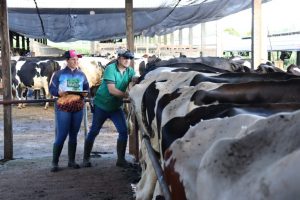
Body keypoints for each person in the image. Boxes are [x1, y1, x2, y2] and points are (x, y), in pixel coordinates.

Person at [82, 49, 135, 168]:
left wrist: (139, 81)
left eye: (129, 58)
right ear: (119, 58)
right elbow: (112, 90)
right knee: (94, 131)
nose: (127, 61)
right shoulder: (110, 69)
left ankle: (120, 160)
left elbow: (133, 83)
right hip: (102, 105)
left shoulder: (130, 71)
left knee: (123, 131)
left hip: (116, 106)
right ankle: (86, 158)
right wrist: (130, 95)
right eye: (125, 58)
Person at [49, 50, 89, 172]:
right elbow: (52, 89)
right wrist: (58, 93)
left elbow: (87, 88)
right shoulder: (58, 74)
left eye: (77, 59)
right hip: (64, 107)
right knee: (61, 134)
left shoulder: (82, 74)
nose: (75, 61)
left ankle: (71, 161)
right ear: (67, 60)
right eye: (73, 59)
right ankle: (54, 162)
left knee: (74, 134)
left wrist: (85, 94)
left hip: (78, 106)